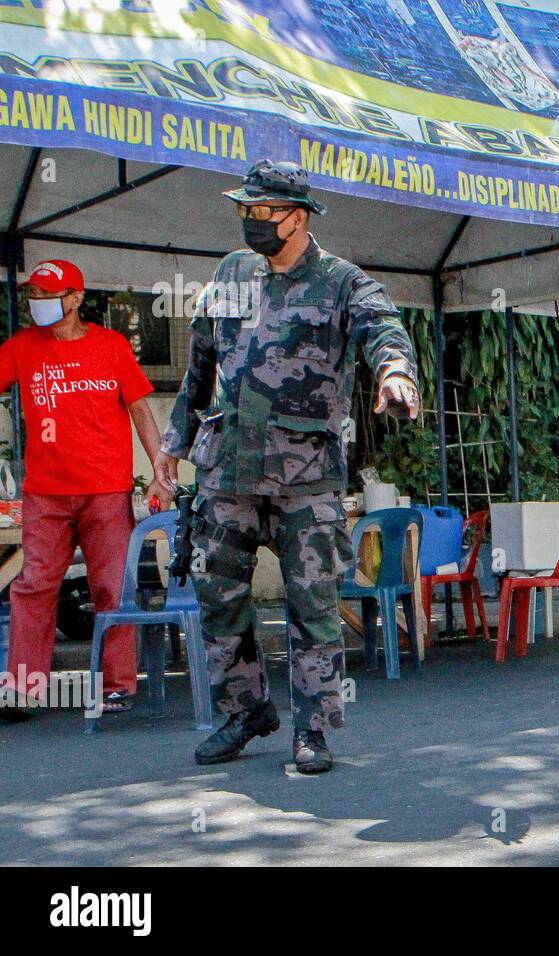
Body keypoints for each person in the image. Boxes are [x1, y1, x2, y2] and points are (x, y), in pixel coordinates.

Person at [153, 159, 419, 773]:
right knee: (218, 594)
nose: (249, 221)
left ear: (297, 219)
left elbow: (384, 329)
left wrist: (396, 373)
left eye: (262, 213)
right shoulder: (230, 273)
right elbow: (199, 366)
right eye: (244, 210)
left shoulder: (342, 282)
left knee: (314, 604)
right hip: (227, 471)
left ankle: (314, 729)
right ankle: (246, 710)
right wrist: (174, 442)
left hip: (307, 475)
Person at [0, 259, 168, 721]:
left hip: (106, 491)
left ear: (75, 298)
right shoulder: (21, 347)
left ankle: (118, 686)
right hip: (44, 494)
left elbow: (140, 410)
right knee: (33, 586)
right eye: (34, 296)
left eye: (49, 296)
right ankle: (23, 689)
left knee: (112, 588)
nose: (39, 304)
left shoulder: (111, 346)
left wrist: (160, 471)